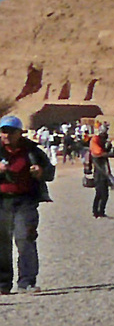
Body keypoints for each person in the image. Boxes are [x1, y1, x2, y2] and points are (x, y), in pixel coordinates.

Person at [0, 115, 52, 294]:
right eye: (3, 131)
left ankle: (27, 282)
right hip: (1, 201)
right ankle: (2, 284)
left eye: (10, 131)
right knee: (2, 243)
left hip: (25, 201)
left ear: (19, 133)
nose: (5, 135)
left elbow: (50, 171)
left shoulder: (32, 150)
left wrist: (41, 171)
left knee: (25, 239)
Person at [87, 129, 114, 218]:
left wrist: (109, 145)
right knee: (103, 195)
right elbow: (109, 154)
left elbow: (105, 151)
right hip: (101, 175)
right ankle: (100, 212)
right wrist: (113, 148)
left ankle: (96, 212)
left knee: (99, 194)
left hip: (99, 175)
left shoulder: (95, 151)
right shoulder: (97, 152)